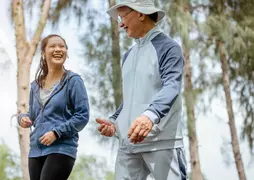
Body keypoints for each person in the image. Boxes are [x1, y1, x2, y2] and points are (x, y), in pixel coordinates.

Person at [95, 0, 188, 180]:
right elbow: (131, 98)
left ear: (140, 14)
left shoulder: (169, 48)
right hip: (128, 145)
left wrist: (150, 116)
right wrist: (114, 122)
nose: (121, 24)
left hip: (162, 143)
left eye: (123, 17)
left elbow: (172, 86)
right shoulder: (128, 56)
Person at [18, 34, 90, 180]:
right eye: (53, 46)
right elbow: (32, 114)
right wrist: (23, 118)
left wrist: (56, 133)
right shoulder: (35, 85)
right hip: (36, 150)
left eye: (61, 46)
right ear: (43, 53)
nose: (58, 49)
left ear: (66, 52)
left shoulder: (73, 81)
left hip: (61, 148)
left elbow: (82, 115)